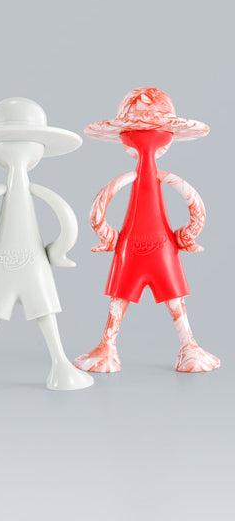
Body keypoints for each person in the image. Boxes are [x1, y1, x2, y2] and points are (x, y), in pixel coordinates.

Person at [0, 98, 92, 393]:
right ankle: (55, 365)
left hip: (10, 263)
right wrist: (59, 250)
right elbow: (66, 218)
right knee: (36, 312)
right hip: (28, 263)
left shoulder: (8, 190)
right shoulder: (27, 191)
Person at [74, 87, 219, 374]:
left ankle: (184, 346)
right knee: (131, 295)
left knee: (152, 295)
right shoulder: (147, 177)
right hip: (147, 246)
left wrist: (107, 235)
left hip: (148, 246)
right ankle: (112, 347)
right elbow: (194, 206)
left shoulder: (140, 177)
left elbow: (99, 209)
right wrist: (187, 235)